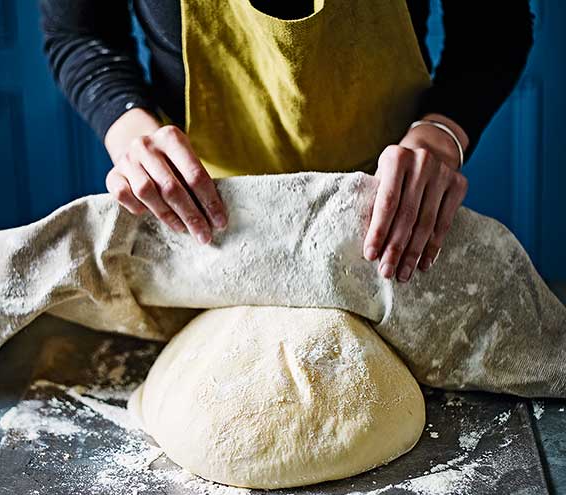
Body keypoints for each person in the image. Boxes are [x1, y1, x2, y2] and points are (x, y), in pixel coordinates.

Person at [40, 0, 534, 283]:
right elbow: (81, 35)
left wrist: (440, 137)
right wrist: (131, 131)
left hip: (389, 222)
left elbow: (495, 31)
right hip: (207, 222)